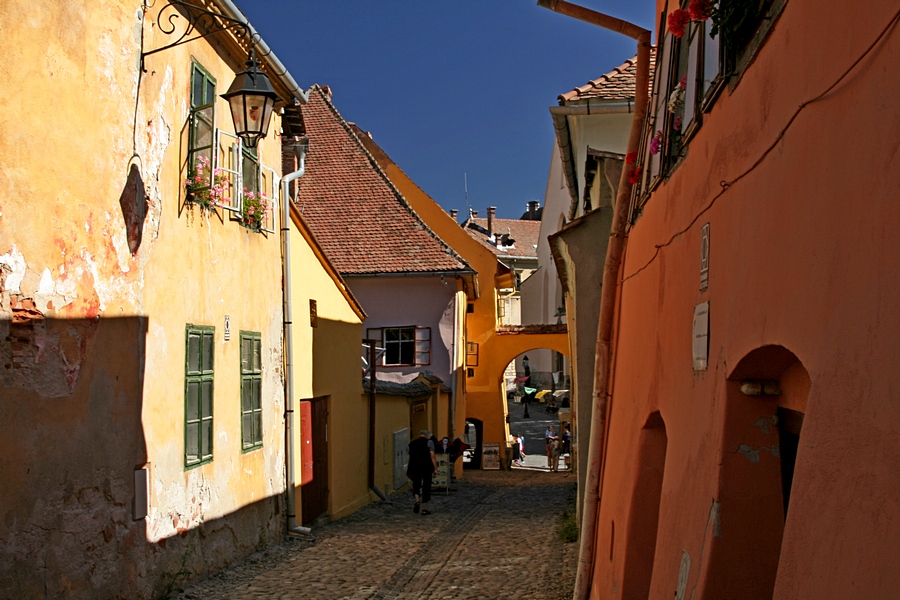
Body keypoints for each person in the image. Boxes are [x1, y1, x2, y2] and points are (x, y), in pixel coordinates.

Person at [407, 430, 438, 515]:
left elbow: (410, 455)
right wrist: (435, 468)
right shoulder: (429, 442)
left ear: (419, 435)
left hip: (415, 467)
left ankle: (417, 501)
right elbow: (432, 456)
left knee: (416, 484)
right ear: (426, 435)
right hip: (426, 467)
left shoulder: (412, 443)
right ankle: (425, 508)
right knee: (426, 485)